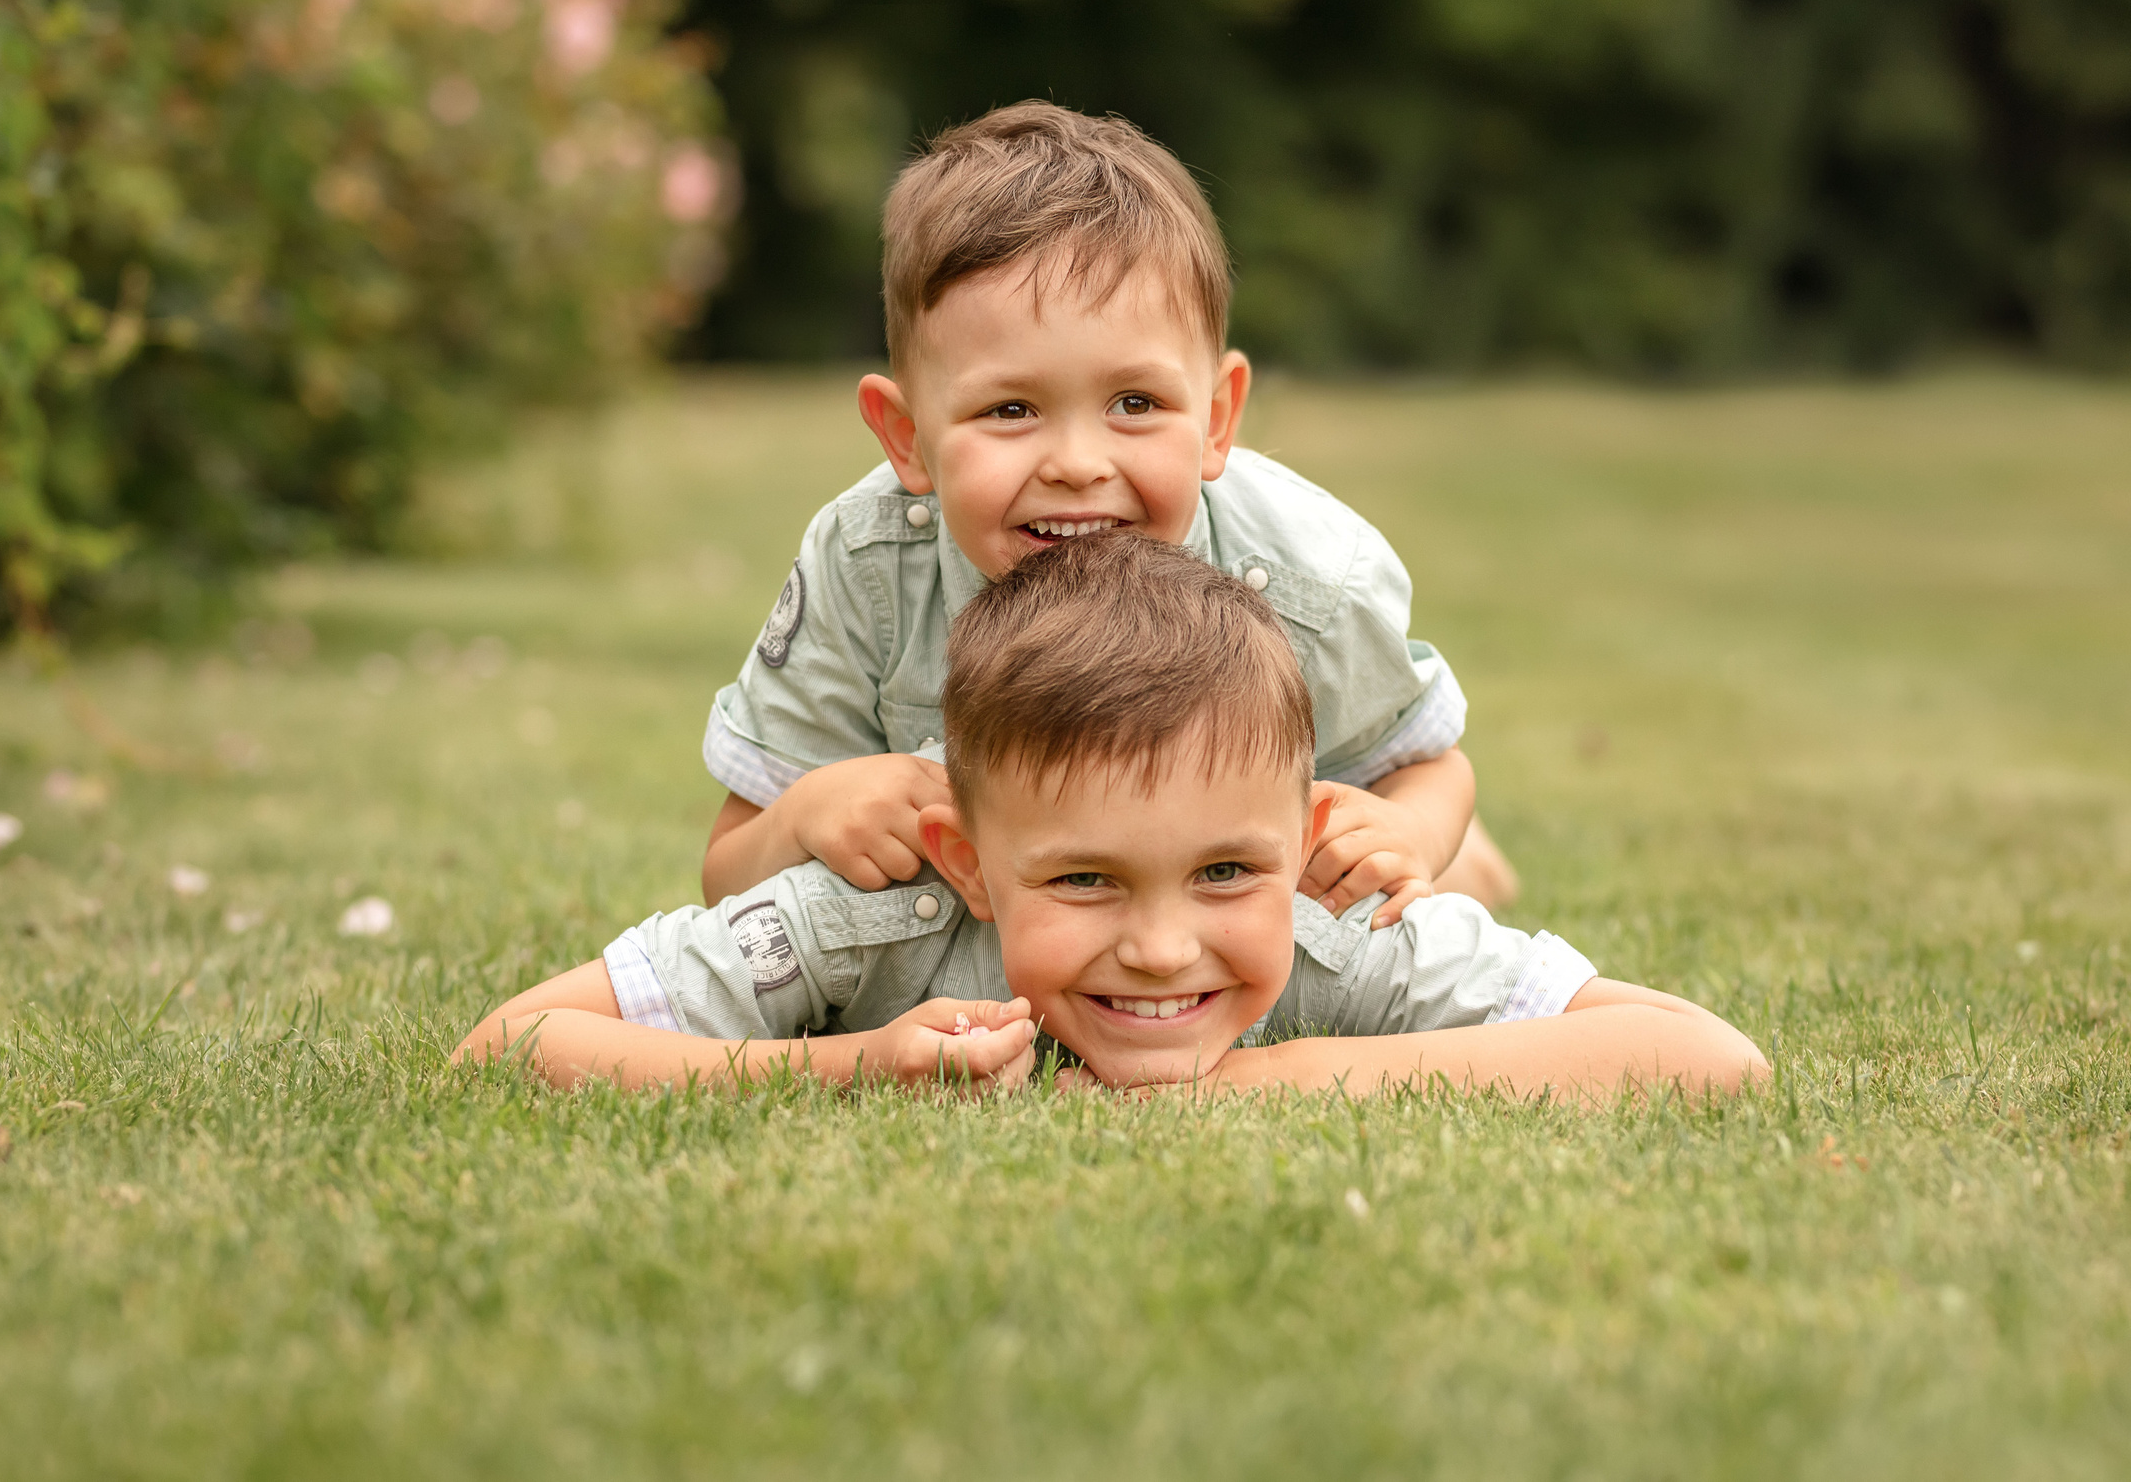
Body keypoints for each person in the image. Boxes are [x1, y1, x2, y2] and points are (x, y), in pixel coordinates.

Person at [458, 534, 1766, 1102]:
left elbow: (1708, 1059)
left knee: (1449, 887)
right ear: (970, 862)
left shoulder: (1324, 920)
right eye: (1084, 880)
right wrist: (846, 1067)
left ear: (1298, 835)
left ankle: (1472, 854)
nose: (1160, 945)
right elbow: (506, 1048)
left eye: (1219, 869)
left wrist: (1267, 1079)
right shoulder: (880, 912)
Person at [697, 101, 1518, 932]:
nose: (1078, 463)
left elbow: (1430, 767)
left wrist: (1414, 827)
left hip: (1253, 882)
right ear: (908, 438)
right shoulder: (867, 566)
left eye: (1135, 402)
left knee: (1432, 893)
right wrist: (804, 813)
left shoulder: (1304, 572)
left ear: (1217, 417)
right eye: (1011, 409)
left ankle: (1478, 859)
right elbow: (728, 870)